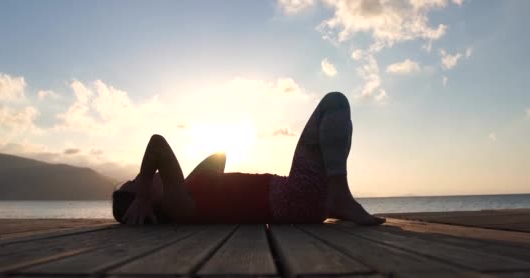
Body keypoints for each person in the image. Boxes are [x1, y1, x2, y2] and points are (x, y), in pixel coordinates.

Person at [112, 92, 385, 226]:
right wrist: (145, 190)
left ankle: (331, 203)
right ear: (142, 205)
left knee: (336, 116)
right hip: (297, 195)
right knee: (335, 103)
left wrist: (190, 180)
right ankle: (338, 196)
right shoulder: (176, 205)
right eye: (133, 183)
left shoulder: (187, 195)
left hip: (301, 200)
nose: (139, 176)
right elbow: (157, 143)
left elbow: (220, 157)